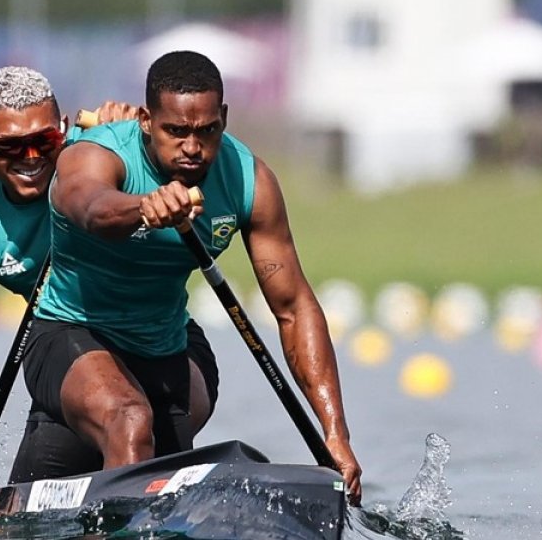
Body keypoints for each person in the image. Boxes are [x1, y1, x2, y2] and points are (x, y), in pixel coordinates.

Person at [31, 51, 363, 505]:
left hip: (165, 347)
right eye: (176, 131)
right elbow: (90, 207)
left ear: (223, 118)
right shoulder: (97, 154)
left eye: (207, 131)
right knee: (129, 422)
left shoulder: (250, 181)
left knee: (140, 444)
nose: (192, 147)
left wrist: (335, 433)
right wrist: (143, 207)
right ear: (147, 120)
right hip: (71, 334)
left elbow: (293, 308)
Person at [0, 66, 220, 521]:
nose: (30, 158)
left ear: (63, 130)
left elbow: (160, 145)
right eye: (8, 148)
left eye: (43, 143)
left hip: (159, 340)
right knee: (6, 517)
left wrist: (123, 136)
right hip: (68, 352)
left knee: (136, 422)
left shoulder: (95, 157)